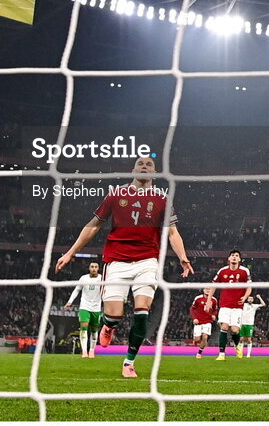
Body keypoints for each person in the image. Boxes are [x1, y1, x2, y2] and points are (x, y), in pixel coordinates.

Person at [54, 155, 194, 379]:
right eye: (140, 163)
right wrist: (70, 252)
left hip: (147, 261)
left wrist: (183, 257)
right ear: (133, 170)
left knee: (142, 312)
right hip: (116, 261)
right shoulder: (117, 194)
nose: (145, 167)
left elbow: (173, 232)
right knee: (114, 315)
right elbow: (94, 225)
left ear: (155, 173)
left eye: (149, 165)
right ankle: (108, 326)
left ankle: (129, 362)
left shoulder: (162, 199)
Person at [210, 250, 250, 361]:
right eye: (232, 255)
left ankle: (238, 345)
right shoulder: (222, 271)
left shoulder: (244, 271)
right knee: (224, 327)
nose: (234, 257)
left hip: (237, 307)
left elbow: (249, 287)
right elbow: (213, 285)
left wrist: (245, 297)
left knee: (235, 330)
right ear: (228, 258)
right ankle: (221, 354)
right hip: (225, 305)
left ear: (239, 259)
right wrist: (209, 300)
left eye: (236, 256)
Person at [63, 262, 103, 359]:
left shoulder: (102, 279)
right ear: (89, 268)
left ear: (98, 269)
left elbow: (107, 290)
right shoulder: (84, 278)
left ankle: (92, 350)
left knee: (94, 330)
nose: (94, 268)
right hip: (84, 306)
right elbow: (77, 289)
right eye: (92, 267)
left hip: (96, 307)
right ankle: (84, 351)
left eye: (96, 267)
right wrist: (70, 301)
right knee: (84, 328)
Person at [189, 287, 218, 359]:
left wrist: (214, 315)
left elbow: (215, 310)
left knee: (205, 337)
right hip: (198, 322)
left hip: (207, 322)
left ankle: (199, 353)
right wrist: (194, 318)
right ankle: (195, 340)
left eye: (209, 289)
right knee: (197, 339)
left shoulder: (214, 300)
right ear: (203, 290)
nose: (208, 290)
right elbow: (192, 308)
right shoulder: (198, 298)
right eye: (206, 289)